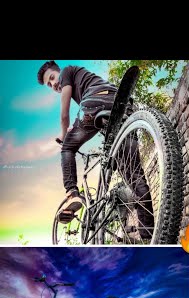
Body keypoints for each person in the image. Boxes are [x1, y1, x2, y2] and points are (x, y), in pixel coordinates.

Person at [37, 60, 154, 239]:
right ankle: (150, 236)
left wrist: (63, 135)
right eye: (49, 84)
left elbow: (64, 114)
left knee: (67, 149)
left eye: (52, 78)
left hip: (95, 102)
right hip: (123, 105)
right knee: (134, 176)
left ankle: (72, 194)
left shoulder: (67, 71)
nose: (54, 84)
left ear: (58, 71)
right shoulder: (81, 77)